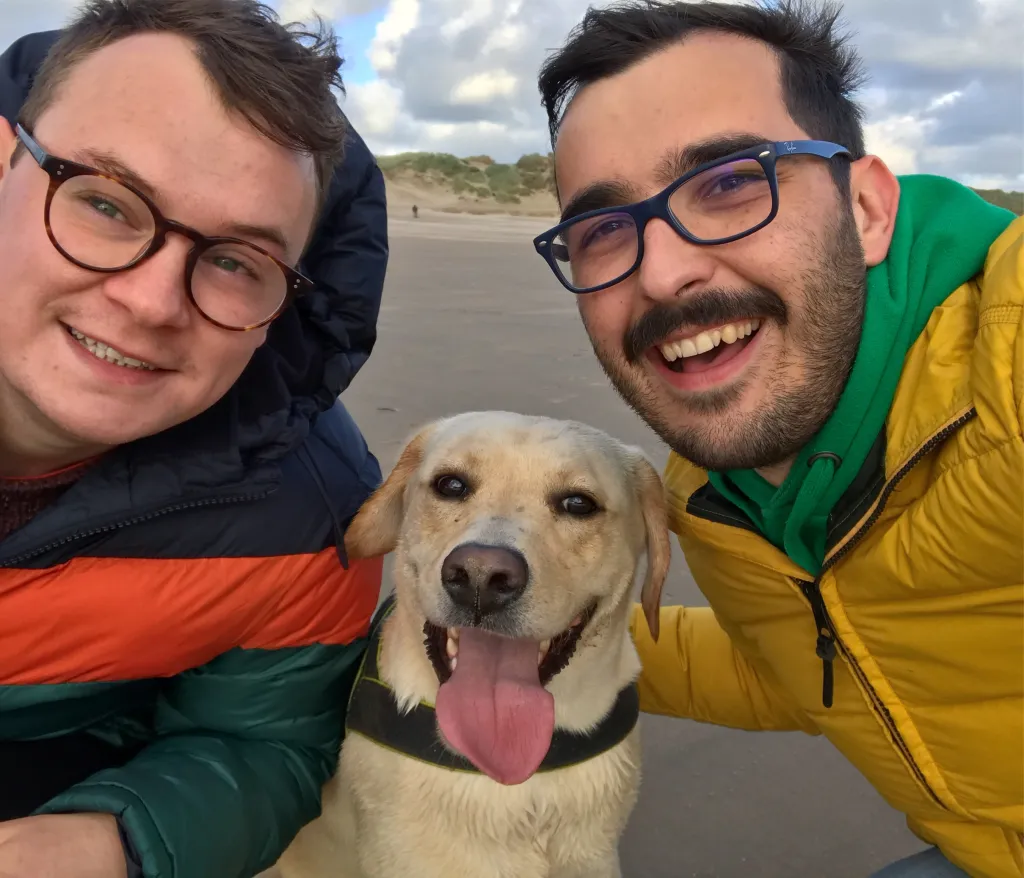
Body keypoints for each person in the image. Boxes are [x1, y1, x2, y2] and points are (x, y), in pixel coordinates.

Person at [533, 2, 1022, 876]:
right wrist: (531, 623)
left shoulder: (1003, 365)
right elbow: (808, 661)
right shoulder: (718, 498)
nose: (663, 272)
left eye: (729, 183)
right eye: (603, 230)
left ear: (868, 210)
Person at [0, 0, 389, 876]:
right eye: (105, 203)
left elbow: (262, 745)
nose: (149, 302)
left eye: (233, 261)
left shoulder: (312, 516)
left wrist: (117, 841)